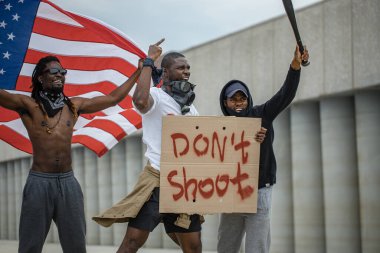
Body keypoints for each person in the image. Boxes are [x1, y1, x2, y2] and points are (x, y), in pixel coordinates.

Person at [0, 55, 143, 253]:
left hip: (68, 182)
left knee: (76, 245)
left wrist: (140, 70)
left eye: (62, 72)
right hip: (39, 182)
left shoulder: (73, 106)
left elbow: (113, 99)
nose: (60, 75)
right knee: (30, 246)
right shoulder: (28, 106)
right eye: (54, 72)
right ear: (41, 78)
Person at [92, 39, 204, 253]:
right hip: (157, 181)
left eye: (188, 67)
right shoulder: (156, 97)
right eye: (181, 67)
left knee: (194, 246)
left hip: (183, 185)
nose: (186, 71)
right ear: (166, 72)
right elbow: (140, 102)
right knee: (133, 241)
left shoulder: (191, 108)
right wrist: (148, 62)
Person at [217, 45, 310, 253]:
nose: (239, 102)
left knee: (256, 248)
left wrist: (295, 65)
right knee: (225, 247)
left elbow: (285, 94)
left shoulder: (262, 115)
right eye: (234, 99)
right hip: (231, 193)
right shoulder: (217, 130)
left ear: (248, 99)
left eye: (243, 98)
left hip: (259, 191)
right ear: (225, 102)